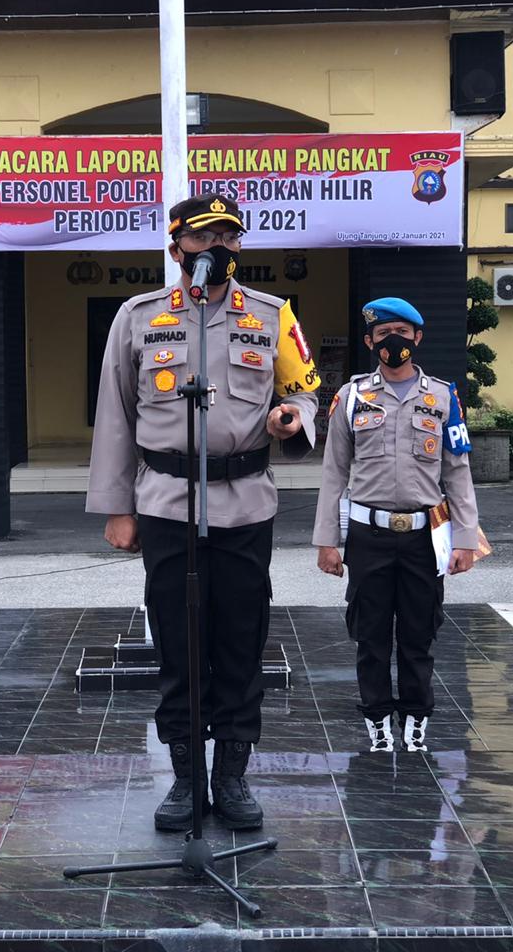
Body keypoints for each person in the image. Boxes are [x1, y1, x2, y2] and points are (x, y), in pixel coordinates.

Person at [87, 193, 320, 832]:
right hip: (166, 502)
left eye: (229, 236)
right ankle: (187, 778)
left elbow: (305, 391)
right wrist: (117, 507)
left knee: (241, 642)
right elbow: (115, 414)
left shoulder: (273, 315)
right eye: (204, 237)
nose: (219, 247)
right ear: (177, 248)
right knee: (178, 643)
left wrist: (293, 417)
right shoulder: (138, 317)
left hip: (246, 503)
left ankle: (233, 775)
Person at [312, 297, 480, 754]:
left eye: (402, 333)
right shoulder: (352, 398)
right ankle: (377, 720)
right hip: (368, 536)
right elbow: (334, 473)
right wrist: (327, 541)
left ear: (417, 338)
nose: (393, 341)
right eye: (383, 334)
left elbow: (457, 472)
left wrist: (465, 539)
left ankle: (416, 717)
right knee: (370, 636)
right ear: (370, 342)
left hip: (425, 537)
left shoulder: (442, 398)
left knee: (418, 634)